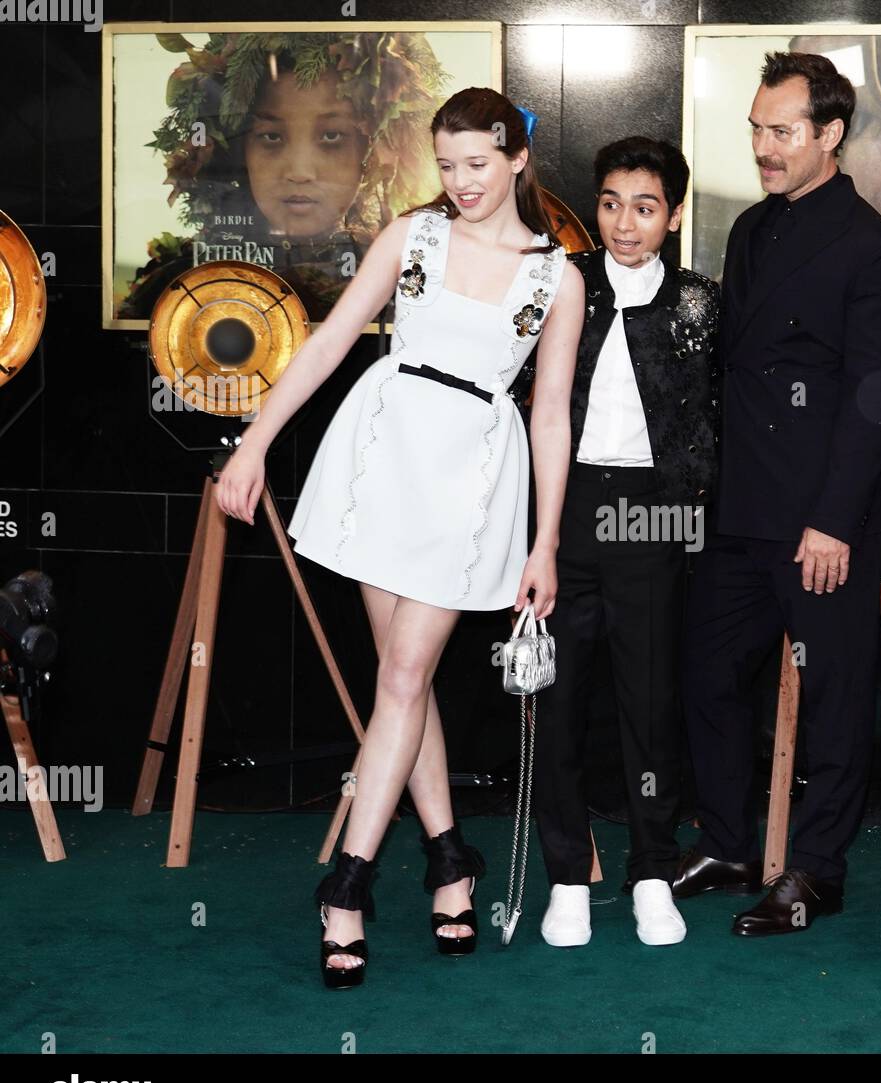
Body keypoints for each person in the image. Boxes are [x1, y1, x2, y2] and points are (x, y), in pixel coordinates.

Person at [215, 88, 584, 988]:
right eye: (447, 165)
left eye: (479, 165)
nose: (460, 183)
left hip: (474, 478)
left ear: (518, 159)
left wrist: (545, 545)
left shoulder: (557, 276)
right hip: (382, 455)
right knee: (400, 688)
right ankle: (451, 861)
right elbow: (332, 338)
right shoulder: (410, 239)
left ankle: (348, 886)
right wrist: (254, 444)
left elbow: (550, 420)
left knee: (405, 678)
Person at [674, 51, 881, 936]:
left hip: (823, 520)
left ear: (830, 135)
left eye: (781, 132)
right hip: (741, 511)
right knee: (707, 673)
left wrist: (833, 520)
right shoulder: (748, 231)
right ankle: (733, 843)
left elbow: (875, 400)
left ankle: (818, 870)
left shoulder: (875, 251)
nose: (764, 148)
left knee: (836, 695)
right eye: (756, 129)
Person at [530, 137, 721, 948]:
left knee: (650, 703)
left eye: (645, 207)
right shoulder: (562, 287)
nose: (624, 223)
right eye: (610, 203)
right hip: (566, 508)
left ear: (673, 216)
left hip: (655, 514)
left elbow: (717, 420)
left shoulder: (701, 304)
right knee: (559, 698)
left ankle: (651, 869)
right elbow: (532, 406)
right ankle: (567, 876)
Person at [119, 31, 449, 320]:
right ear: (238, 150)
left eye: (332, 136)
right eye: (272, 137)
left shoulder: (406, 282)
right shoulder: (178, 289)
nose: (300, 172)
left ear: (372, 150)